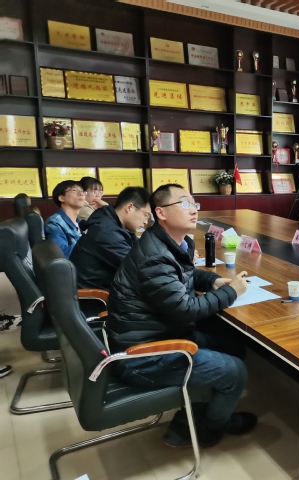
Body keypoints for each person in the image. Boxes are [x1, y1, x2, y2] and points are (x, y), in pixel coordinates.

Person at [107, 184, 255, 448]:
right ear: (161, 213)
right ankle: (211, 428)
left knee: (233, 346)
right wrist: (232, 292)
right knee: (236, 371)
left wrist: (212, 281)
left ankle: (194, 413)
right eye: (185, 204)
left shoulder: (171, 242)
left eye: (194, 204)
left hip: (161, 333)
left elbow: (184, 274)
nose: (194, 210)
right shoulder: (154, 257)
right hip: (142, 356)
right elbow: (186, 309)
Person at [70, 187, 151, 290]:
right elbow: (139, 267)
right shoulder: (106, 232)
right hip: (96, 296)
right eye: (146, 215)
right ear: (130, 207)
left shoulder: (111, 222)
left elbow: (142, 250)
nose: (145, 221)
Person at [45, 180, 85, 258]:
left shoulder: (79, 223)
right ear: (61, 198)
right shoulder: (55, 223)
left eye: (82, 191)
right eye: (74, 190)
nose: (81, 194)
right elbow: (61, 255)